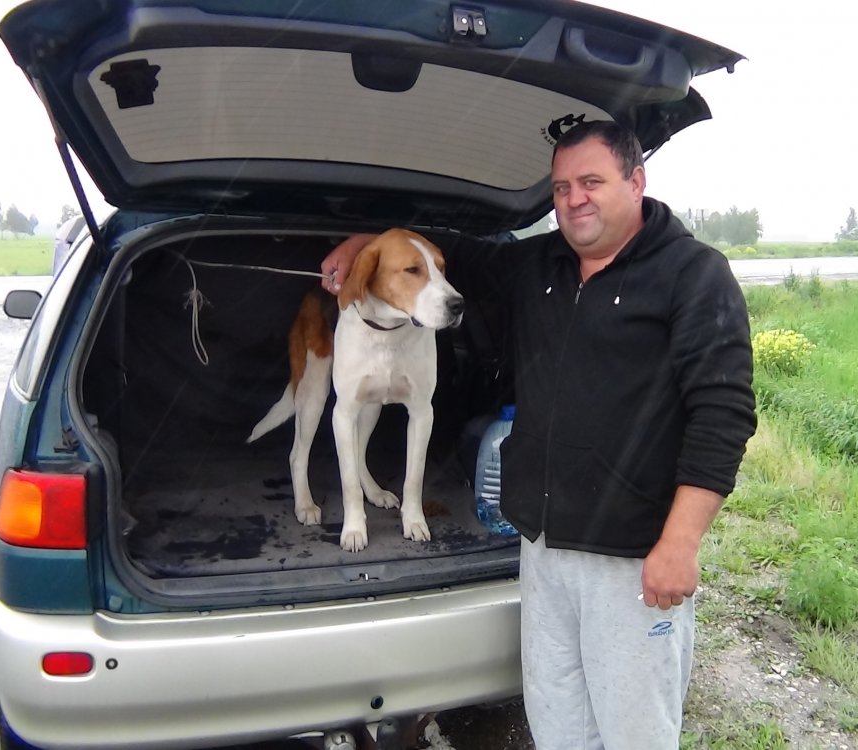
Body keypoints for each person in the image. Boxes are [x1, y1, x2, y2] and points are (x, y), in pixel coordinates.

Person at [321, 121, 757, 749]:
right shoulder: (541, 264)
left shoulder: (693, 274)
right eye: (560, 188)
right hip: (542, 548)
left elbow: (724, 413)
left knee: (634, 731)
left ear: (636, 181)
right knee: (558, 723)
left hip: (630, 558)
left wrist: (680, 543)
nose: (574, 199)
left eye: (591, 182)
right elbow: (452, 254)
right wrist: (366, 241)